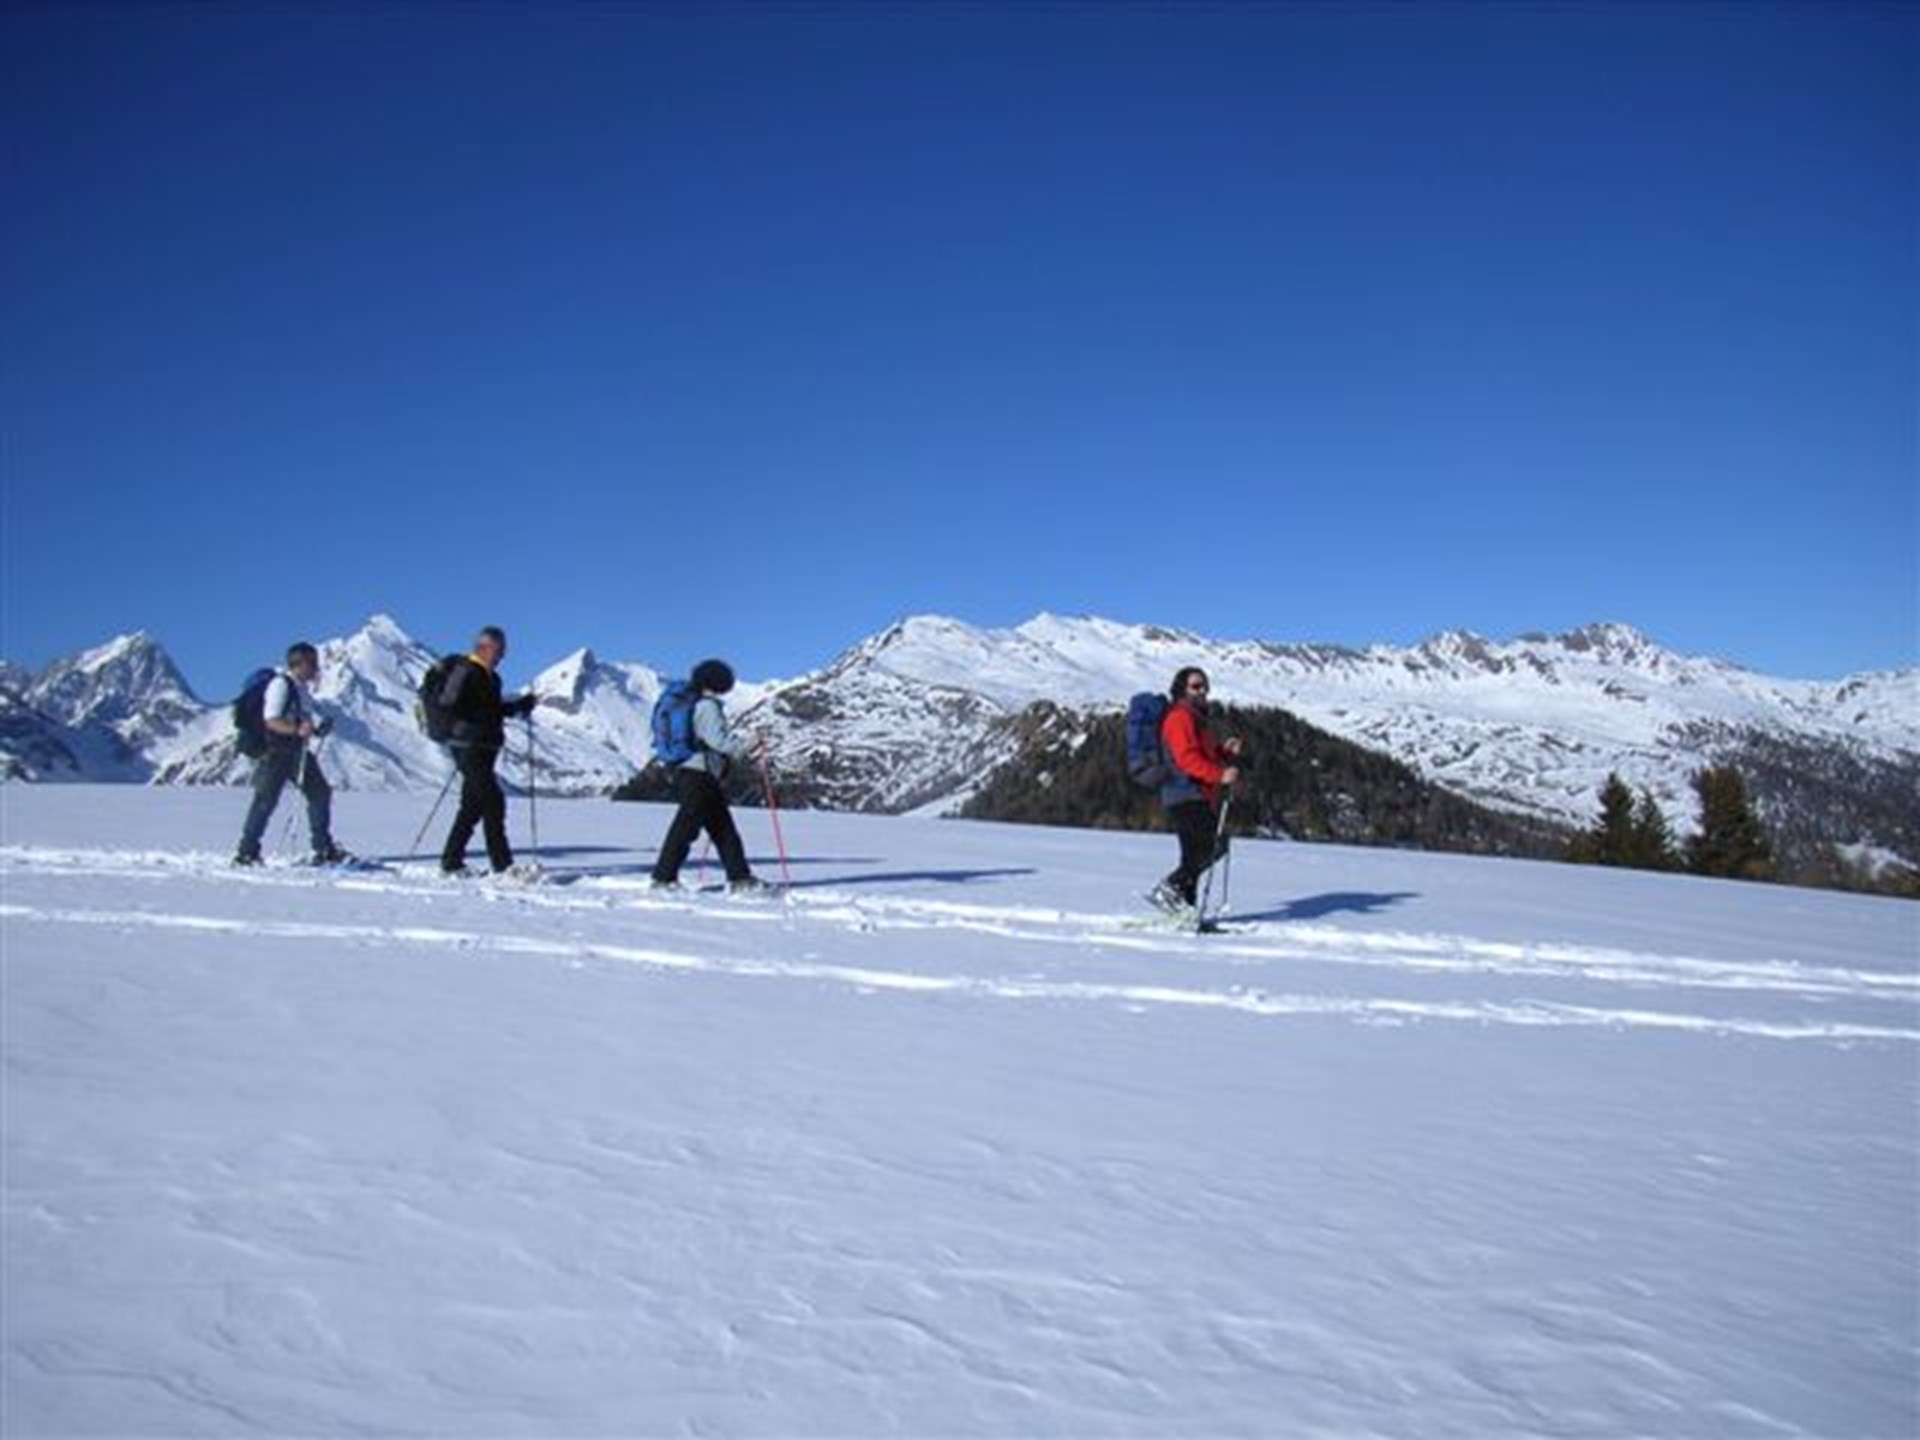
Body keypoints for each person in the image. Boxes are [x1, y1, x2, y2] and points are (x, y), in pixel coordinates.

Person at [649, 659, 766, 893]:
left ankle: (740, 877)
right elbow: (719, 741)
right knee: (686, 828)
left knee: (722, 828)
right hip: (699, 774)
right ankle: (663, 878)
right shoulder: (707, 706)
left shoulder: (691, 703)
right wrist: (750, 744)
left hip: (690, 772)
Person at [437, 626, 540, 876]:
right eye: (499, 649)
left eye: (503, 650)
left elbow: (494, 709)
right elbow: (449, 704)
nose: (502, 655)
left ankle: (451, 861)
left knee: (472, 807)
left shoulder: (492, 678)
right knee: (493, 802)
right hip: (468, 745)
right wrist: (480, 715)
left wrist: (518, 706)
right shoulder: (466, 671)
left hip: (485, 747)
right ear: (483, 648)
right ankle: (503, 865)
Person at [234, 642, 347, 866]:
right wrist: (297, 730)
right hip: (275, 752)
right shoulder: (281, 685)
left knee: (319, 793)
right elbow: (271, 720)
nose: (316, 668)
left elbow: (300, 720)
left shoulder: (301, 689)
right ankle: (246, 852)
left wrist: (315, 730)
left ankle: (323, 848)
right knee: (265, 801)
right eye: (312, 663)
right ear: (299, 663)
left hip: (297, 751)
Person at [1148, 665, 1242, 914]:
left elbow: (1203, 756)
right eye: (1196, 686)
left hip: (1193, 794)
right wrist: (1220, 775)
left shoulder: (1195, 718)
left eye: (1204, 686)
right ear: (1182, 689)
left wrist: (1223, 752)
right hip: (1185, 794)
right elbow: (1186, 760)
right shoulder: (1180, 717)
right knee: (1214, 846)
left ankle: (1184, 911)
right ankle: (1170, 887)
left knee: (1193, 856)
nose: (1202, 691)